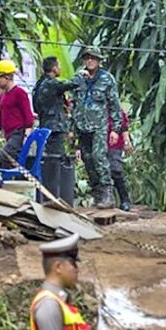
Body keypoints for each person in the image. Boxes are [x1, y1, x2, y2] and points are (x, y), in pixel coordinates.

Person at [71, 47, 123, 209]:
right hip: (81, 126)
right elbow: (73, 103)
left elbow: (115, 105)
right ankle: (97, 192)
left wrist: (115, 128)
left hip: (99, 126)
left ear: (99, 60)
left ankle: (107, 191)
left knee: (99, 156)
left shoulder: (107, 79)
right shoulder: (78, 78)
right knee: (87, 159)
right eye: (87, 58)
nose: (90, 61)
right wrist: (71, 128)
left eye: (93, 58)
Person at [32, 56, 83, 157]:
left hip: (44, 124)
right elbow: (73, 84)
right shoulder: (51, 83)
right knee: (56, 156)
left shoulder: (39, 84)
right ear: (54, 68)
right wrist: (81, 75)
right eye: (59, 66)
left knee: (49, 155)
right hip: (55, 127)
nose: (60, 68)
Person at [0, 59, 35, 165]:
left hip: (18, 134)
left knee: (2, 156)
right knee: (2, 160)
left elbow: (29, 117)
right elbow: (0, 117)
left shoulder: (20, 93)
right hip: (8, 135)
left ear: (7, 77)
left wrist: (26, 138)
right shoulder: (3, 95)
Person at [107, 108, 133, 212]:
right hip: (97, 144)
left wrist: (127, 141)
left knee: (116, 170)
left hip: (115, 144)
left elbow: (124, 126)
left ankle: (124, 199)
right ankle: (105, 199)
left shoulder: (116, 109)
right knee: (101, 172)